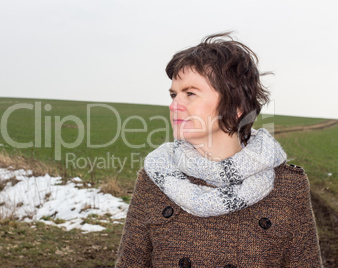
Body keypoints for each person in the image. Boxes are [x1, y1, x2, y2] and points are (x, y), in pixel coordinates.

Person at [116, 32, 322, 267]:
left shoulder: (288, 187)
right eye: (173, 95)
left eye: (190, 93)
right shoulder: (155, 177)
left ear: (236, 106)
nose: (174, 106)